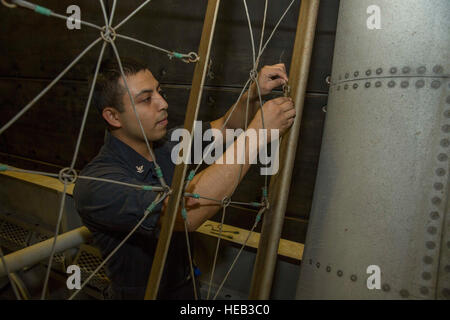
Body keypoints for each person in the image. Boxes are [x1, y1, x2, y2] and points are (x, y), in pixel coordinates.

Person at [73, 57, 295, 299]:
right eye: (146, 99)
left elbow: (225, 129)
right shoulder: (98, 183)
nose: (163, 103)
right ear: (113, 117)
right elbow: (183, 214)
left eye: (159, 91)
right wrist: (258, 134)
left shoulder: (167, 143)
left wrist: (254, 93)